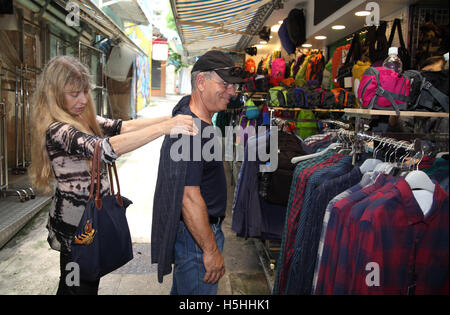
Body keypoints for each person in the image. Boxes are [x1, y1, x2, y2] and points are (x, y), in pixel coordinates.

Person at [29, 55, 197, 295]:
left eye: (85, 92)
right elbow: (104, 150)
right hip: (76, 229)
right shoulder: (58, 129)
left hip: (89, 223)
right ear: (54, 94)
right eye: (74, 93)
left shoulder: (80, 118)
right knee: (77, 286)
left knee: (83, 283)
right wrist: (164, 128)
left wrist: (171, 118)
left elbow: (122, 127)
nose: (83, 99)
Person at [151, 50, 243, 294]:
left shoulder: (192, 117)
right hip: (197, 239)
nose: (232, 92)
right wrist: (210, 250)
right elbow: (188, 198)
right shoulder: (192, 131)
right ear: (201, 82)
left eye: (233, 86)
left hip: (193, 237)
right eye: (225, 84)